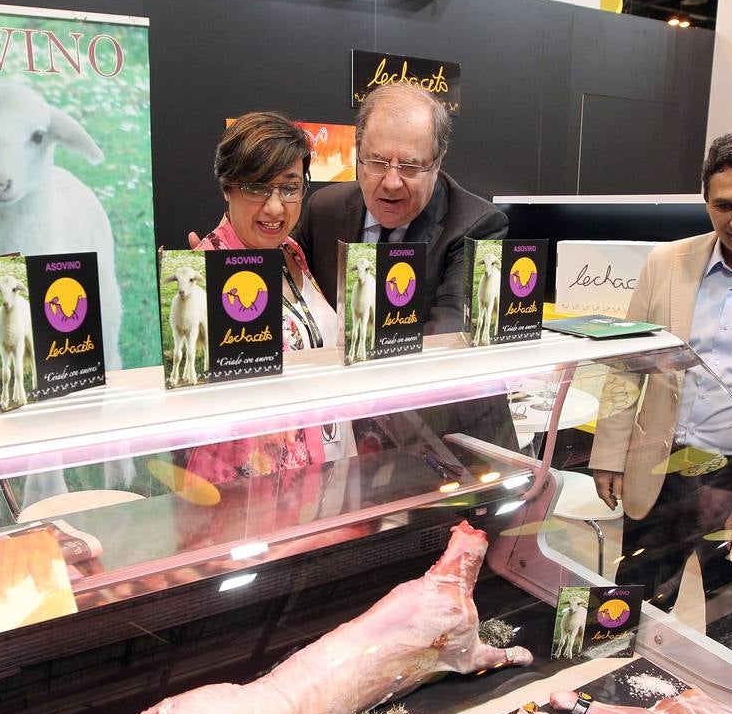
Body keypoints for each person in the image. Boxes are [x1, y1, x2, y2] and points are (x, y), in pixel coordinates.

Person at [588, 126, 732, 638]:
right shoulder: (667, 263)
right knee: (630, 604)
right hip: (661, 467)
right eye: (723, 206)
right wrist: (608, 454)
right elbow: (628, 365)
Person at [186, 111, 345, 481]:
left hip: (316, 461)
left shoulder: (290, 251)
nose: (275, 207)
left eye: (289, 188)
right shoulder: (205, 272)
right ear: (227, 187)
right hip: (249, 482)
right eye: (257, 187)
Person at [295, 81, 508, 334]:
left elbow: (452, 334)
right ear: (359, 151)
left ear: (437, 162)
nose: (391, 183)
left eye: (410, 166)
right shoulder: (324, 209)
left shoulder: (478, 226)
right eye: (377, 162)